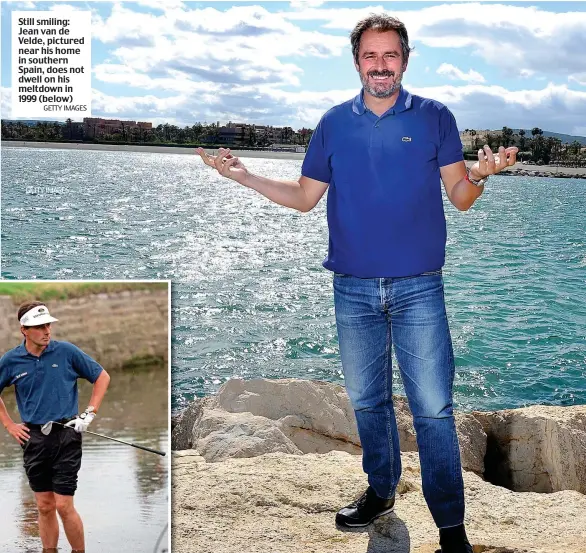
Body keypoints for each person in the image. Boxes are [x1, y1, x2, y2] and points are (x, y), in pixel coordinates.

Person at [196, 13, 517, 553]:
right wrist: (244, 176)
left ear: (405, 60)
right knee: (368, 401)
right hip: (352, 288)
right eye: (370, 56)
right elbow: (304, 197)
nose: (380, 66)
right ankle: (381, 490)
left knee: (434, 408)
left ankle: (451, 529)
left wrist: (482, 176)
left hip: (419, 287)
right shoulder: (333, 124)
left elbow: (460, 196)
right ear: (356, 62)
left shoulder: (436, 117)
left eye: (390, 55)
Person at [0, 301, 111, 553]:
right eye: (39, 326)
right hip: (33, 438)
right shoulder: (11, 360)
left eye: (48, 324)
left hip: (67, 435)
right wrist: (8, 425)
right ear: (24, 330)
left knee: (63, 505)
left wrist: (89, 413)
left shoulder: (67, 352)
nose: (47, 331)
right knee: (44, 505)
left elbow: (101, 377)